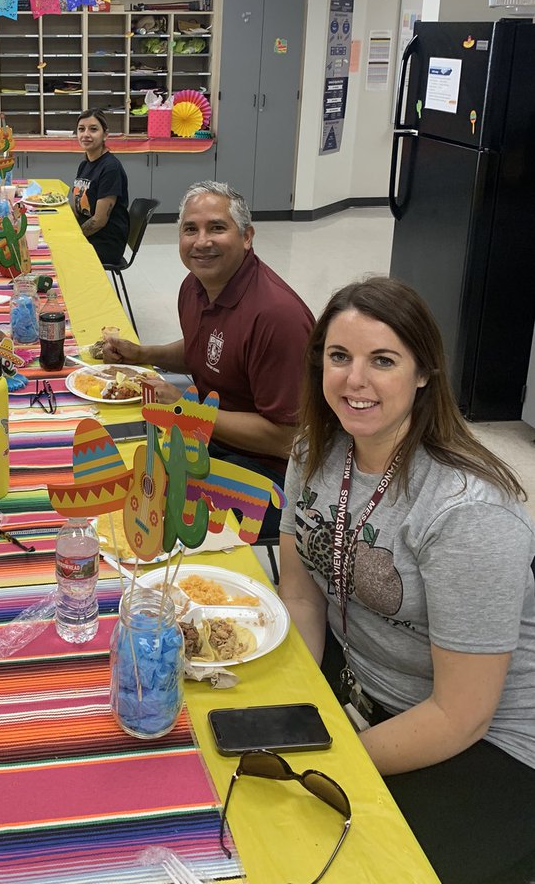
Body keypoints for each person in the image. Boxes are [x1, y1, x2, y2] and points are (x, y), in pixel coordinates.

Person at [277, 276, 535, 884]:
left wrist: (338, 759)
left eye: (383, 360)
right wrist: (297, 696)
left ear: (424, 373)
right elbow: (300, 593)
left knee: (346, 865)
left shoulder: (466, 510)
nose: (354, 380)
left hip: (489, 738)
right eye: (339, 357)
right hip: (364, 682)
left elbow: (461, 714)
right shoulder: (315, 448)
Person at [103, 181, 313, 537]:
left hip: (272, 476)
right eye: (190, 229)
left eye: (217, 227)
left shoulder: (277, 317)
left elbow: (286, 440)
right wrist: (143, 353)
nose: (201, 242)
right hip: (210, 440)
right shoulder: (195, 286)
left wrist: (188, 411)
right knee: (116, 461)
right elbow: (207, 351)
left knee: (138, 506)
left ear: (247, 236)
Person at [69, 109, 130, 266]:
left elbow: (99, 220)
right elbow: (77, 207)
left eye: (93, 129)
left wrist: (71, 237)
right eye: (81, 129)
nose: (86, 134)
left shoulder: (110, 168)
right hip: (90, 235)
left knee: (55, 252)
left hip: (105, 242)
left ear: (105, 135)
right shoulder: (84, 164)